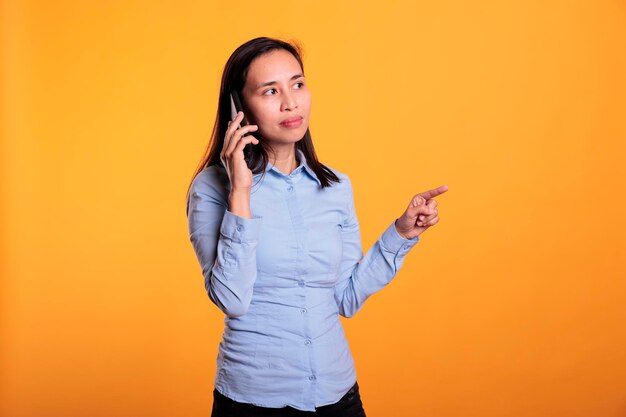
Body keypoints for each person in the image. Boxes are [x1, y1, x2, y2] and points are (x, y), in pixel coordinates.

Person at [186, 37, 448, 417]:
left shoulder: (336, 187)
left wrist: (401, 234)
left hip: (337, 395)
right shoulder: (212, 188)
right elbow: (232, 300)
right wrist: (240, 191)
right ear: (239, 108)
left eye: (297, 84)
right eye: (270, 90)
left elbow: (344, 298)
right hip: (253, 401)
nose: (290, 102)